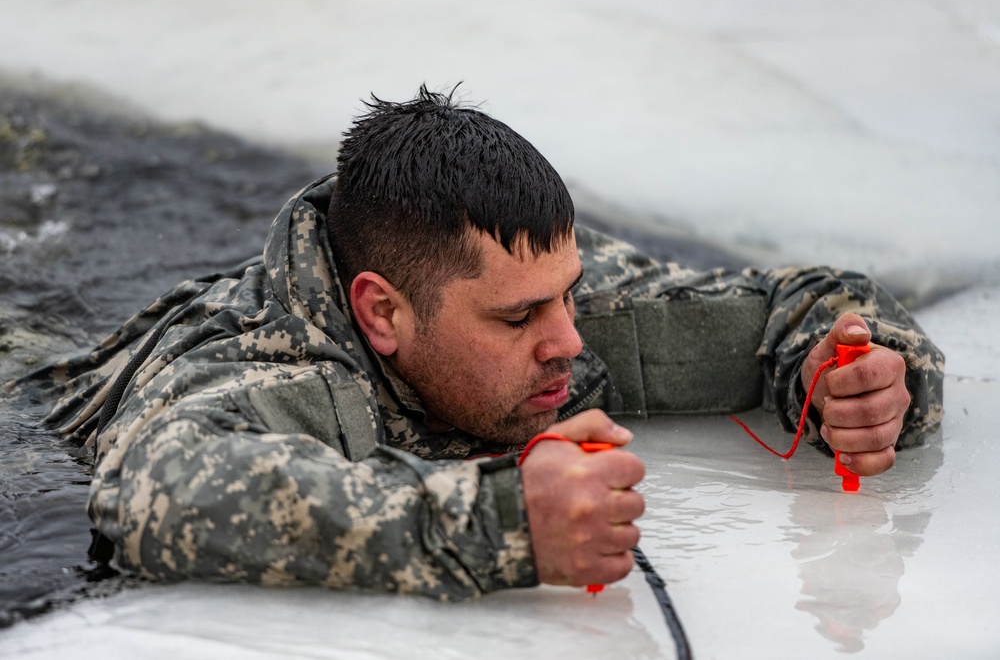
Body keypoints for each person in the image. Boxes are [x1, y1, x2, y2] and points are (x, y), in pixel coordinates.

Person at [20, 86, 944, 600]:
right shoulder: (251, 362)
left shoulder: (529, 277)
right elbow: (152, 496)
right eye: (517, 320)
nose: (568, 340)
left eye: (567, 296)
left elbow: (813, 300)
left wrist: (846, 376)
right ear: (382, 313)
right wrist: (497, 522)